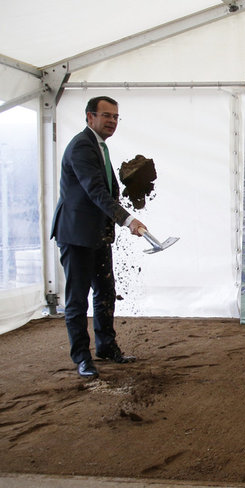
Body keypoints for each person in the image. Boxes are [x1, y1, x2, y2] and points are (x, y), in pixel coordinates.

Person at [51, 96, 146, 379]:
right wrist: (127, 219)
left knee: (105, 292)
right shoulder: (82, 146)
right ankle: (82, 357)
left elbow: (106, 190)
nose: (112, 121)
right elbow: (95, 191)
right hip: (77, 234)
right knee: (77, 299)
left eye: (116, 117)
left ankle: (106, 347)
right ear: (90, 117)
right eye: (106, 116)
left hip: (98, 235)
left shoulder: (99, 147)